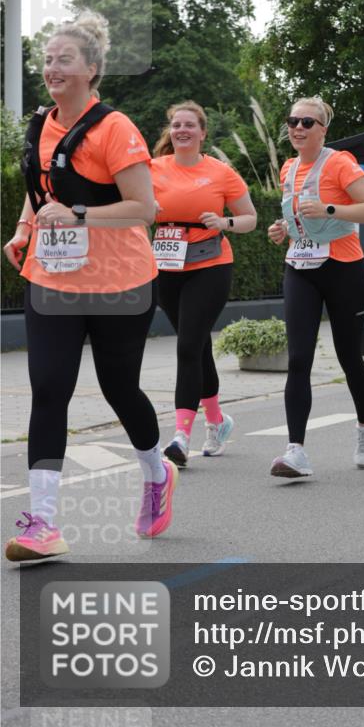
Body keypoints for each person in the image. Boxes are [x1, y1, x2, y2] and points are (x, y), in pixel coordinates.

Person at [3, 11, 177, 563]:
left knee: (118, 388)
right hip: (51, 278)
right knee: (49, 388)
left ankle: (155, 470)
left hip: (119, 281)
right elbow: (39, 189)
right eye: (47, 59)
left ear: (92, 69)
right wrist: (24, 228)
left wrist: (77, 214)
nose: (51, 68)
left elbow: (143, 209)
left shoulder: (114, 128)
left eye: (63, 60)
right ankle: (44, 524)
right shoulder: (40, 123)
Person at [267, 96, 364, 479]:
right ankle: (295, 450)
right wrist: (283, 230)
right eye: (293, 121)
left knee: (349, 357)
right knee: (299, 359)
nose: (298, 128)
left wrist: (331, 209)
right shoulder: (288, 168)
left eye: (307, 122)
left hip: (343, 268)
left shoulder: (340, 163)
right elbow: (299, 217)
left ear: (323, 130)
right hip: (300, 266)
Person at [151, 102, 257, 467]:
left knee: (187, 347)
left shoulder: (220, 172)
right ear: (171, 130)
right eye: (176, 124)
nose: (182, 130)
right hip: (166, 264)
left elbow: (250, 219)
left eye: (189, 125)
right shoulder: (153, 168)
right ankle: (217, 421)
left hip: (209, 265)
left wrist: (223, 223)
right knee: (196, 348)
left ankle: (181, 436)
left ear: (202, 133)